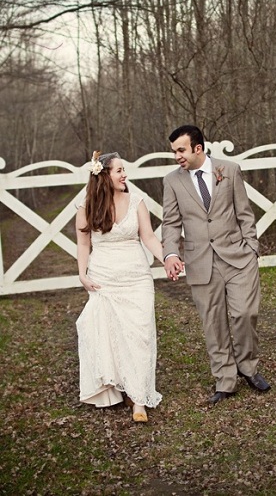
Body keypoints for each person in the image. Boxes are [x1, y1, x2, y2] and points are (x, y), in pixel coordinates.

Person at [162, 125, 271, 404]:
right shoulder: (172, 181)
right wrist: (171, 254)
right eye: (174, 151)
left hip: (238, 257)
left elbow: (244, 212)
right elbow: (171, 222)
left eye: (181, 150)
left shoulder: (229, 170)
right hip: (200, 261)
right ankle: (225, 379)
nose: (177, 156)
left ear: (198, 148)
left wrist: (252, 248)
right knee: (213, 323)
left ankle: (248, 367)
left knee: (245, 313)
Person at [75, 151, 163, 423]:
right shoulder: (86, 206)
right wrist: (82, 274)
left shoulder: (136, 201)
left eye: (124, 170)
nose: (125, 175)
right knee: (110, 335)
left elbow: (148, 237)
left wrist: (169, 259)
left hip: (136, 278)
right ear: (104, 175)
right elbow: (83, 244)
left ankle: (139, 399)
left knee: (140, 334)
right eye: (119, 171)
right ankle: (120, 386)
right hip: (105, 279)